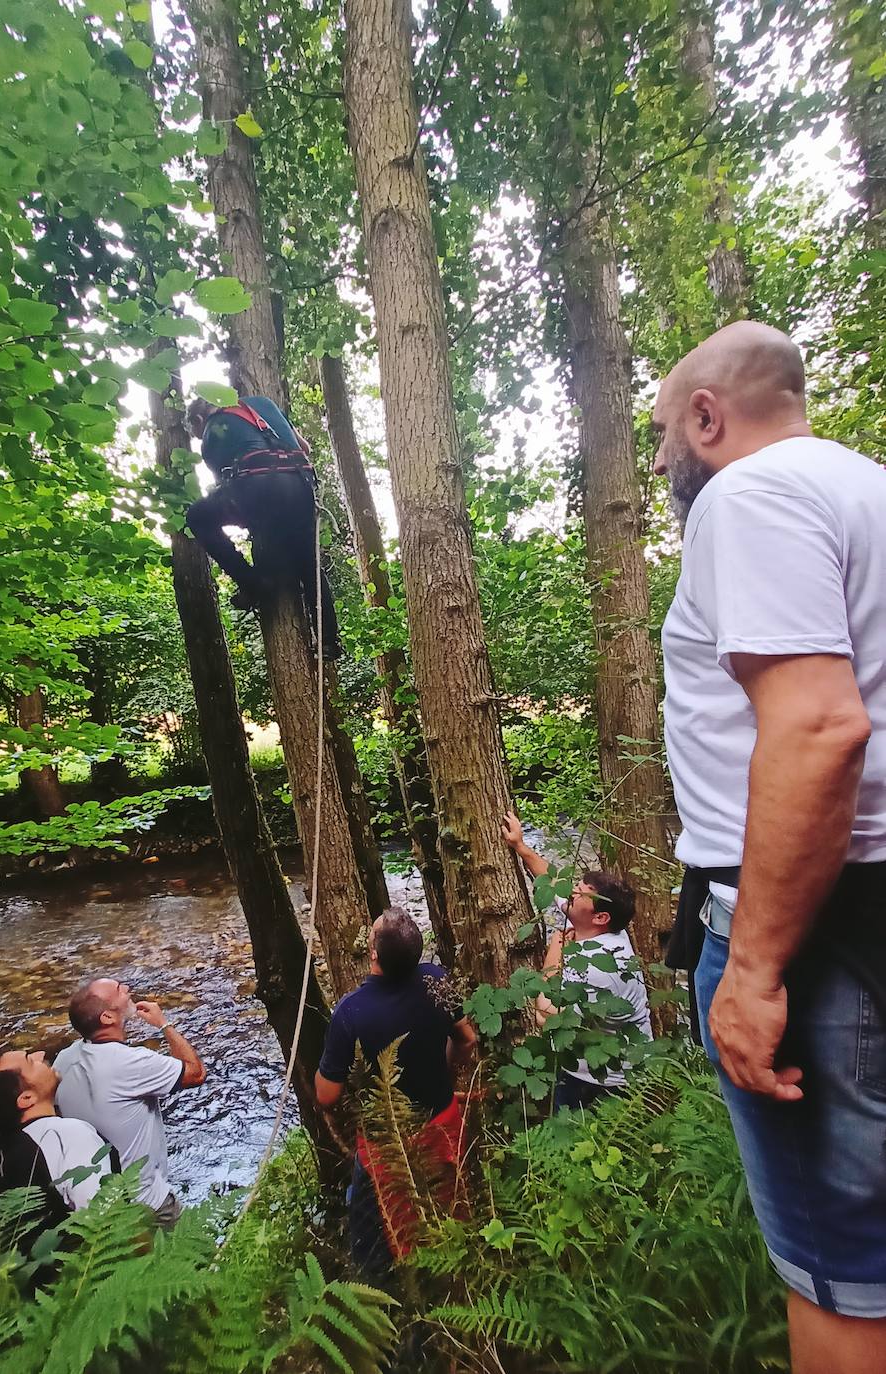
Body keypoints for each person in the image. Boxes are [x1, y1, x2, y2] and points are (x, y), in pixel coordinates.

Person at [654, 320, 886, 1372]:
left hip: (810, 929)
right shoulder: (865, 491)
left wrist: (749, 967)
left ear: (706, 417)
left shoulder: (743, 498)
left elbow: (817, 725)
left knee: (839, 1284)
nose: (659, 460)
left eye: (662, 435)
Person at [315, 907, 478, 1274]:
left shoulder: (350, 1012)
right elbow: (466, 1039)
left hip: (385, 1144)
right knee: (450, 1203)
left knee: (378, 1228)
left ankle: (396, 1293)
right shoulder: (437, 980)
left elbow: (327, 1095)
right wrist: (447, 1066)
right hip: (441, 1120)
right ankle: (457, 1272)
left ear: (372, 953)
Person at [503, 811, 652, 1108]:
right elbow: (552, 879)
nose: (570, 892)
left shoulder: (600, 964)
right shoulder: (602, 927)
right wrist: (521, 846)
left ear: (600, 916)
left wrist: (556, 947)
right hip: (592, 1065)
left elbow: (545, 1014)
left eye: (579, 893)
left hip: (606, 1081)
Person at [185, 394, 341, 659]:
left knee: (198, 517)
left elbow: (226, 481)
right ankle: (328, 640)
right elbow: (304, 446)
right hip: (300, 486)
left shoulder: (213, 431)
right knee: (308, 561)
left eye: (196, 432)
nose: (200, 437)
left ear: (199, 419)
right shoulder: (262, 404)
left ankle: (254, 583)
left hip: (259, 491)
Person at [53, 979, 205, 1228]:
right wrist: (163, 1024)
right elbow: (196, 1073)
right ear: (107, 1018)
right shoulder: (132, 1063)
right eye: (119, 990)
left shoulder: (64, 1059)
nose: (127, 990)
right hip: (148, 1201)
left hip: (99, 1205)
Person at [0, 1047, 115, 1253]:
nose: (41, 1054)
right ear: (26, 1098)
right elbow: (105, 1222)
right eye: (30, 1061)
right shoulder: (68, 1135)